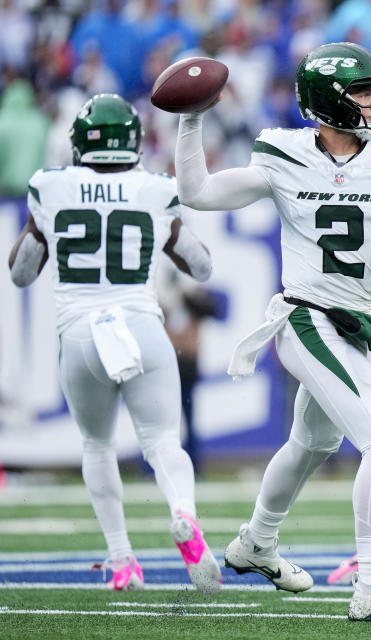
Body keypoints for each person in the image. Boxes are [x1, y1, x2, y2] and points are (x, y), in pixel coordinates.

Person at [173, 42, 371, 622]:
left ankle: (256, 543)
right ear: (330, 101)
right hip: (305, 317)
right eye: (363, 92)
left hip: (354, 321)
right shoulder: (283, 153)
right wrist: (191, 122)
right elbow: (198, 193)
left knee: (312, 444)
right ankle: (370, 589)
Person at [7, 94, 220, 593]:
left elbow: (20, 274)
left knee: (97, 444)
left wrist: (44, 228)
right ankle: (183, 514)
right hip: (140, 323)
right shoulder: (155, 188)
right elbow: (203, 266)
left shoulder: (51, 186)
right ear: (134, 141)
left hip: (78, 332)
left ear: (79, 142)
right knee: (164, 441)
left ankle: (123, 558)